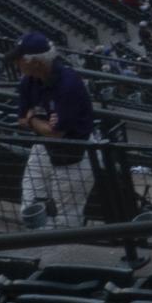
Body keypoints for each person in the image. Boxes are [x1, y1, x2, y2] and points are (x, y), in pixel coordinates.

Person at [12, 33, 95, 228]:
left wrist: (33, 118)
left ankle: (66, 253)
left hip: (75, 155)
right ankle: (45, 242)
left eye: (20, 60)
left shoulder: (68, 83)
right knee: (29, 209)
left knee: (68, 218)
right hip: (43, 147)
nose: (17, 64)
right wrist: (39, 123)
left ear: (36, 63)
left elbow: (57, 133)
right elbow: (22, 119)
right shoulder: (28, 81)